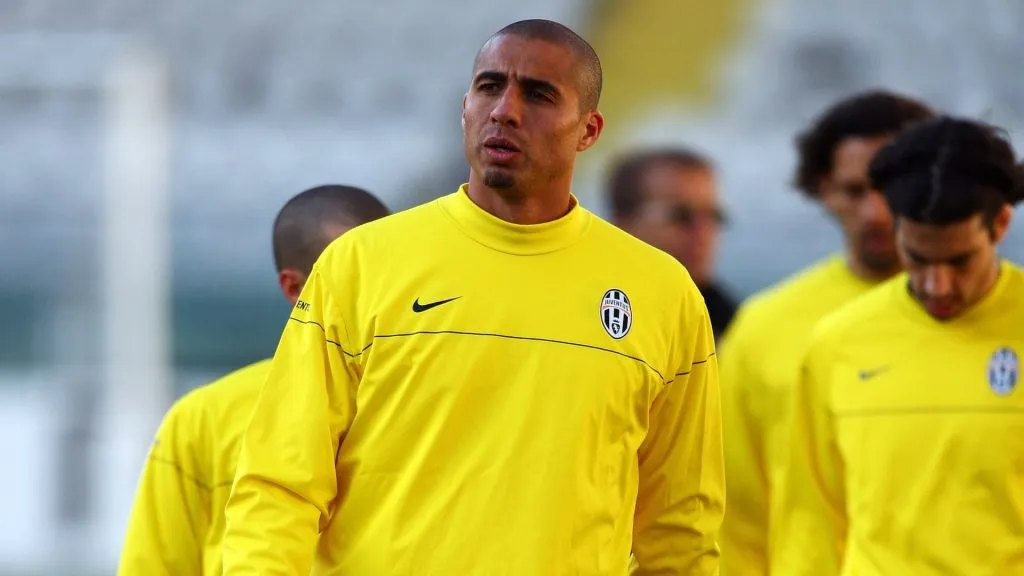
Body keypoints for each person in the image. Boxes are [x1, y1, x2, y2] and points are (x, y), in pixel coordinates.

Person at [221, 19, 724, 576]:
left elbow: (680, 526)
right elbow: (279, 483)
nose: (505, 110)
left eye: (538, 94)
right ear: (465, 106)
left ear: (588, 130)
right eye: (489, 87)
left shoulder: (661, 291)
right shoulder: (361, 262)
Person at [771, 115, 1024, 575]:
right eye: (918, 257)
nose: (937, 284)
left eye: (959, 261)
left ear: (1001, 224)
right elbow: (810, 523)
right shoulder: (838, 342)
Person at [116, 185, 390, 576]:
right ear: (295, 288)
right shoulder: (204, 420)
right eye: (355, 278)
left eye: (393, 274)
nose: (382, 293)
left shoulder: (433, 398)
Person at [716, 90, 935, 575]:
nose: (876, 212)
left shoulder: (995, 322)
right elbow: (735, 512)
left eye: (891, 187)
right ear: (823, 188)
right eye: (855, 190)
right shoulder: (764, 327)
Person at [607, 147, 737, 337]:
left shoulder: (736, 329)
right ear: (622, 224)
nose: (702, 232)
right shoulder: (578, 319)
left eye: (713, 216)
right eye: (681, 216)